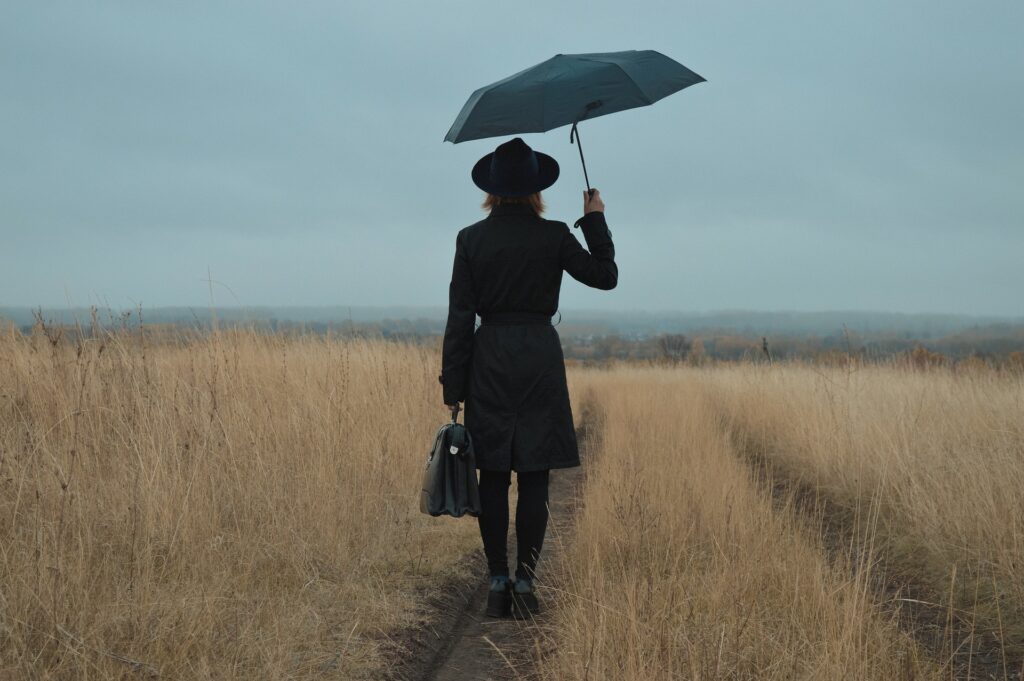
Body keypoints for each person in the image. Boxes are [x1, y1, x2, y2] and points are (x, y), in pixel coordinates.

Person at [438, 136, 617, 619]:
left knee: (493, 475)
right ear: (537, 188)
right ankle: (526, 583)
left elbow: (459, 318)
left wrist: (453, 388)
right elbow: (605, 276)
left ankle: (497, 582)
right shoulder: (555, 234)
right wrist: (594, 216)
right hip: (539, 358)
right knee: (535, 476)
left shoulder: (470, 239)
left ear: (491, 190)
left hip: (489, 360)